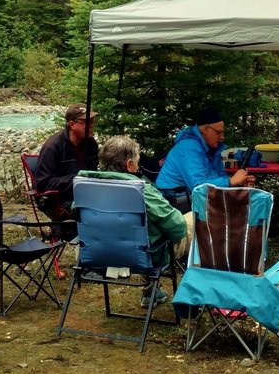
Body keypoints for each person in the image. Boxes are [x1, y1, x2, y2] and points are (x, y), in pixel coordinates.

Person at [79, 135, 192, 308]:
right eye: (137, 161)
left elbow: (77, 214)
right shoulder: (140, 190)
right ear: (129, 164)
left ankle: (151, 292)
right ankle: (193, 297)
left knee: (141, 234)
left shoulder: (85, 187)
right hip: (143, 257)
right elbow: (177, 228)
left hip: (99, 256)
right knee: (195, 219)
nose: (138, 166)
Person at [155, 108, 254, 205]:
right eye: (218, 132)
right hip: (174, 199)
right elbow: (198, 187)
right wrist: (231, 181)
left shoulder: (212, 148)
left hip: (191, 194)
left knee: (245, 202)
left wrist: (239, 183)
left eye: (222, 132)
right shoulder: (188, 147)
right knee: (235, 207)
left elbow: (219, 177)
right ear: (205, 130)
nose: (222, 137)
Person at [34, 103, 99, 222]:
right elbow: (43, 184)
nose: (91, 125)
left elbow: (93, 172)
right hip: (58, 199)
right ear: (72, 124)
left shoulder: (91, 144)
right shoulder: (52, 147)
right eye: (86, 122)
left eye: (92, 121)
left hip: (84, 194)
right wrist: (77, 179)